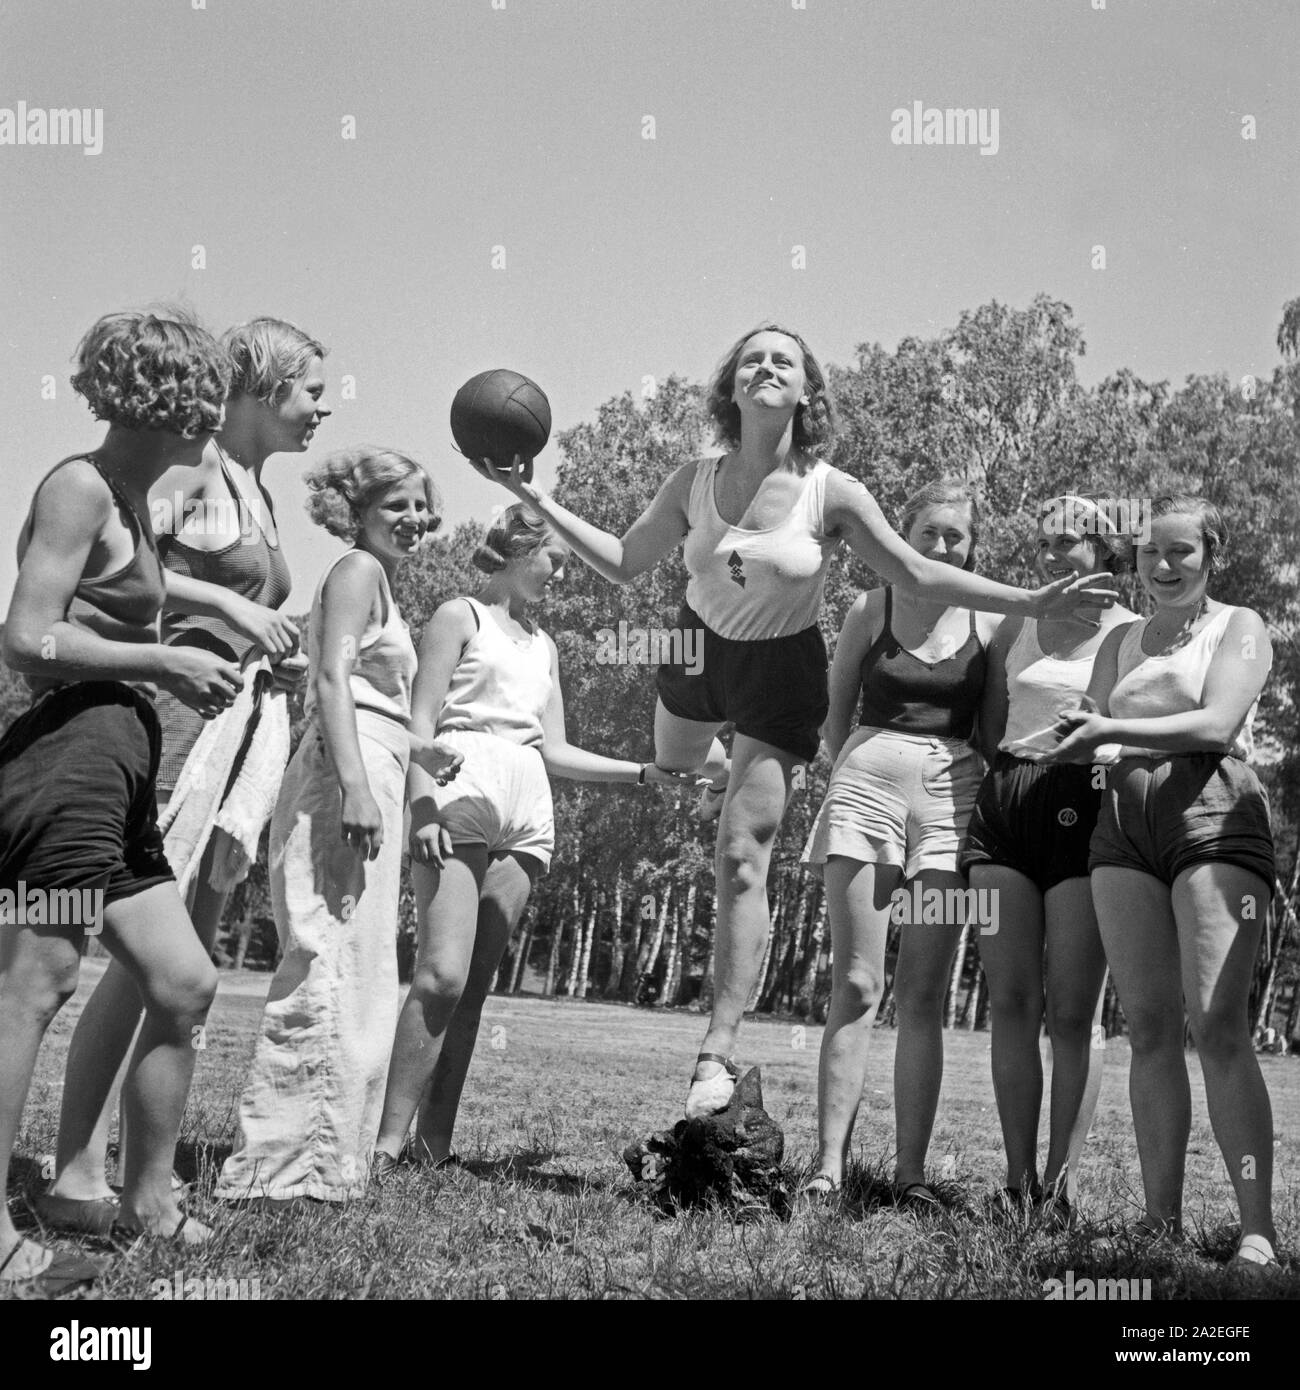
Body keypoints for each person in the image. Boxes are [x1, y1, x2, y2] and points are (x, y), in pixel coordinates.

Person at [472, 323, 1116, 1119]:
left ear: (806, 391)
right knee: (675, 772)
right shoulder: (694, 478)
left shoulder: (833, 492)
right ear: (731, 387)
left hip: (781, 677)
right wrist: (531, 497)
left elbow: (916, 570)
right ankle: (710, 771)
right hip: (696, 654)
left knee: (742, 853)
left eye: (785, 359)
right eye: (753, 358)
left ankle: (717, 1049)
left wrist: (1029, 600)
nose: (768, 366)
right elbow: (622, 560)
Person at [42, 318, 326, 1231]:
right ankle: (79, 1170)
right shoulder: (195, 471)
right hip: (163, 727)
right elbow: (126, 574)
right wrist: (224, 612)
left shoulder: (256, 492)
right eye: (307, 387)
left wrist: (264, 651)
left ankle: (133, 1180)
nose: (321, 405)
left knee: (182, 964)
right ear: (258, 385)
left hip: (231, 725)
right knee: (134, 963)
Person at [0, 309, 242, 1286]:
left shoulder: (136, 508)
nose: (214, 420)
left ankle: (145, 1198)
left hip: (118, 772)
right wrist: (163, 660)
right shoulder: (80, 487)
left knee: (181, 980)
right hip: (61, 764)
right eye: (208, 398)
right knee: (33, 986)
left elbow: (141, 602)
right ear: (174, 399)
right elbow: (26, 634)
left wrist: (214, 616)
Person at [373, 506, 698, 1173]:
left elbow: (554, 749)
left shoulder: (544, 645)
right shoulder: (458, 616)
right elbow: (421, 719)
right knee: (440, 975)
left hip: (527, 808)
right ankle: (382, 1144)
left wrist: (644, 772)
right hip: (459, 788)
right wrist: (422, 808)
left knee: (474, 992)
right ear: (520, 552)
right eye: (554, 559)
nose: (558, 574)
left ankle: (432, 1150)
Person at [213, 447, 460, 1204]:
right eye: (397, 507)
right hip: (342, 780)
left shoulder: (376, 579)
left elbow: (356, 686)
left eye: (422, 508)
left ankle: (325, 1160)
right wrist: (356, 786)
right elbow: (330, 681)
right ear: (356, 513)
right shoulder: (357, 572)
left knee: (359, 963)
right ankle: (282, 1167)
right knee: (329, 954)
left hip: (372, 765)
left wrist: (416, 747)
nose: (414, 521)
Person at [1044, 495, 1278, 1270]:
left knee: (1217, 1025)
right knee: (1148, 1029)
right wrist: (1071, 736)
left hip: (1212, 815)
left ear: (1212, 553)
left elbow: (1216, 724)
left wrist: (1108, 729)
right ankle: (1160, 1223)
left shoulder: (1239, 625)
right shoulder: (1121, 641)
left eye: (1182, 551)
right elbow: (1096, 725)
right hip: (1122, 829)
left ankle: (1256, 1230)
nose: (1164, 566)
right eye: (1151, 553)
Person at [800, 482, 996, 1204]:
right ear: (900, 534)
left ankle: (910, 1173)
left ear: (973, 548)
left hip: (950, 810)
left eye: (956, 536)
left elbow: (995, 729)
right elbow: (832, 711)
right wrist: (843, 765)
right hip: (865, 793)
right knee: (856, 985)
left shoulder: (988, 618)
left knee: (921, 992)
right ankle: (829, 1167)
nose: (942, 545)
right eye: (929, 532)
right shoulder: (868, 608)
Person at [962, 495, 1136, 1225]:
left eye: (1069, 541)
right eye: (1044, 544)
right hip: (1007, 802)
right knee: (1009, 1004)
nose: (1053, 554)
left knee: (1072, 1011)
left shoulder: (1131, 632)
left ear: (1102, 551)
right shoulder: (1015, 620)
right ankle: (1017, 1178)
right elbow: (990, 725)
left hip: (1087, 806)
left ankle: (1058, 1188)